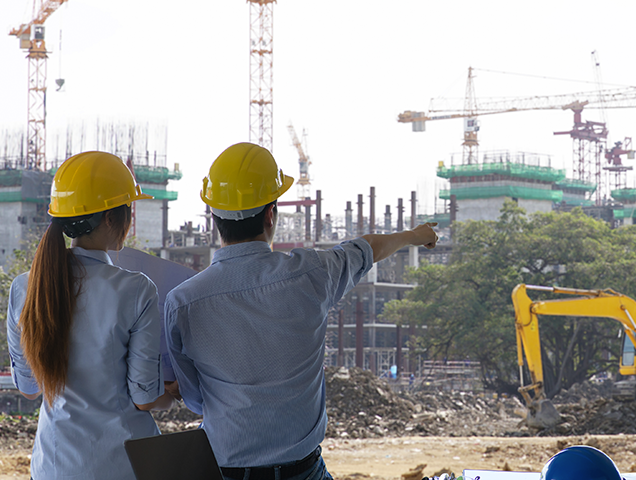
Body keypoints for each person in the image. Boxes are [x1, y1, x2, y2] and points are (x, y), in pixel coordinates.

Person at [165, 142, 438, 480]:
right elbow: (369, 247)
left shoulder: (182, 303)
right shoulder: (313, 272)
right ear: (270, 214)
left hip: (226, 471)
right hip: (303, 471)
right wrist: (415, 235)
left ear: (213, 215)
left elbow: (194, 397)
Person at [6, 151, 175, 480]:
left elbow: (28, 388)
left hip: (55, 466)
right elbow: (144, 399)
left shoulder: (24, 288)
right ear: (112, 218)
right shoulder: (136, 289)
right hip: (123, 466)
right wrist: (170, 393)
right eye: (130, 208)